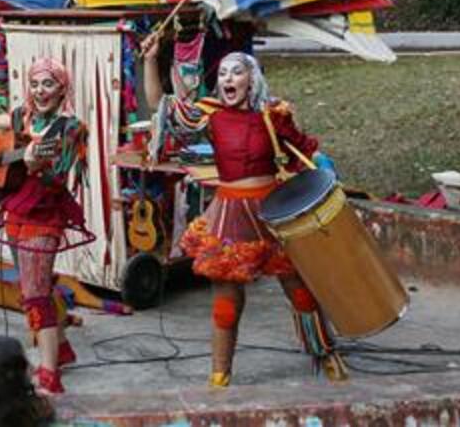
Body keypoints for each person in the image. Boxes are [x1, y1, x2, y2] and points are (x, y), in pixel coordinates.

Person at [142, 37, 348, 387]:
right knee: (225, 300)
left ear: (251, 78)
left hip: (273, 210)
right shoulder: (211, 114)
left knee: (300, 291)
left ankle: (325, 353)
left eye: (236, 72)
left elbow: (305, 154)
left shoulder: (273, 114)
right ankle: (220, 373)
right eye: (222, 73)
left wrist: (320, 186)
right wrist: (150, 61)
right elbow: (159, 107)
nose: (227, 79)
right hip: (229, 214)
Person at [0, 57, 92, 394]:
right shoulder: (22, 116)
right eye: (35, 84)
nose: (40, 91)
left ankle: (50, 374)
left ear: (62, 88)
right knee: (36, 284)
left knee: (34, 294)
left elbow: (59, 174)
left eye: (48, 84)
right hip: (16, 210)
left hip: (44, 213)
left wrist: (35, 164)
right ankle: (61, 348)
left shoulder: (71, 128)